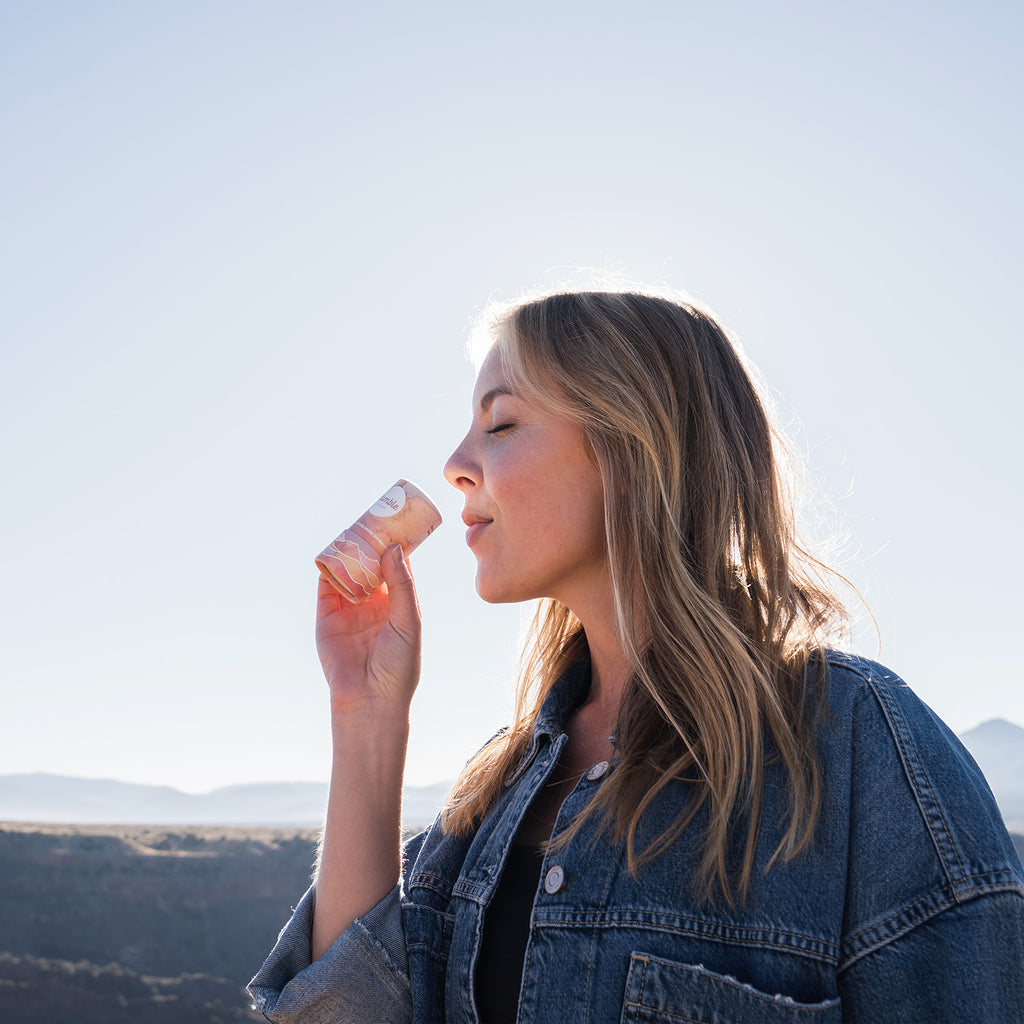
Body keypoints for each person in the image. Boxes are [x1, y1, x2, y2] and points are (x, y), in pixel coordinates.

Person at [249, 289, 1024, 1023]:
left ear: (634, 447)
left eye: (503, 424)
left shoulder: (859, 749)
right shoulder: (499, 786)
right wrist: (366, 713)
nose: (456, 462)